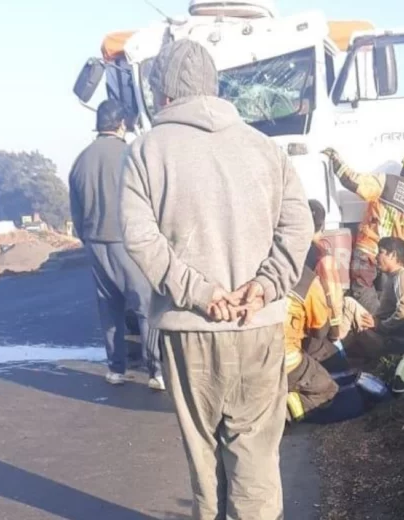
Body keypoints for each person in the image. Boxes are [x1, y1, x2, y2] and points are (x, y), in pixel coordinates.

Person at [118, 40, 314, 520]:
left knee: (204, 459)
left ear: (163, 94)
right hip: (259, 327)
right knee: (255, 459)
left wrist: (200, 293)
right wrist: (266, 285)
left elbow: (140, 238)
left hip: (188, 333)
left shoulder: (144, 152)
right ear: (216, 88)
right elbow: (299, 226)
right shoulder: (264, 148)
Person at [68, 99, 163, 390]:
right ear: (122, 124)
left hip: (95, 244)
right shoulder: (131, 154)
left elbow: (76, 211)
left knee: (109, 309)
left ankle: (116, 369)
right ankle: (155, 371)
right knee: (145, 306)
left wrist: (89, 239)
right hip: (128, 242)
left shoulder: (80, 160)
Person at [320, 147, 404, 315]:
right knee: (385, 297)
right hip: (391, 258)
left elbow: (353, 182)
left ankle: (376, 325)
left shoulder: (388, 182)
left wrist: (336, 160)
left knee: (362, 290)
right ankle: (386, 325)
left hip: (369, 250)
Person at [284, 266, 369, 424]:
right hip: (284, 359)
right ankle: (284, 411)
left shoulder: (255, 273)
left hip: (246, 356)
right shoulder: (305, 280)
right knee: (332, 393)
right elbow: (320, 330)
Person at [345, 237, 404, 360]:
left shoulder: (403, 277)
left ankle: (336, 356)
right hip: (383, 334)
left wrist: (380, 325)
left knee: (348, 304)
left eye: (380, 252)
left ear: (393, 255)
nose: (376, 257)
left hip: (389, 343)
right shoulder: (392, 277)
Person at [306, 199, 345, 341]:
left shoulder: (289, 247)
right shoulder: (323, 257)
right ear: (322, 225)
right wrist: (335, 332)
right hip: (317, 324)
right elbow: (332, 296)